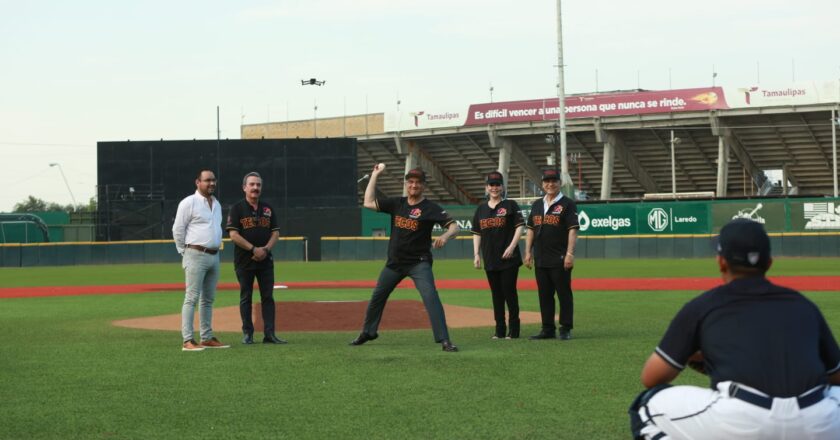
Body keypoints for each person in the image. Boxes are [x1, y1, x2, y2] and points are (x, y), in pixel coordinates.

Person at [629, 219, 840, 439]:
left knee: (645, 407)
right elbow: (836, 377)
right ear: (769, 262)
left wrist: (711, 357)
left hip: (740, 420)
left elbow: (651, 378)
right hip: (817, 423)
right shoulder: (804, 305)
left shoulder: (703, 306)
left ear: (721, 262)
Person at [350, 164, 461, 352]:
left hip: (419, 263)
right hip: (394, 263)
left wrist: (444, 236)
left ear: (423, 185)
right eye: (410, 182)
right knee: (377, 296)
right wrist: (375, 175)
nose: (414, 185)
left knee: (430, 296)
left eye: (418, 182)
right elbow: (368, 202)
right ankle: (368, 332)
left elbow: (455, 227)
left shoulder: (430, 208)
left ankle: (444, 340)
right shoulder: (397, 204)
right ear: (406, 184)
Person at [226, 172, 287, 345]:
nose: (255, 188)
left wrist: (265, 250)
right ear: (244, 187)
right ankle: (248, 333)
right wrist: (253, 249)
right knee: (246, 296)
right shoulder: (237, 208)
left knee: (268, 297)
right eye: (252, 184)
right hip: (244, 260)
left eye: (258, 185)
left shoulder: (268, 208)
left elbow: (275, 232)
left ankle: (270, 334)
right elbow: (233, 234)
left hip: (265, 260)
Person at [172, 169, 229, 351]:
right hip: (195, 253)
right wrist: (184, 251)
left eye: (213, 180)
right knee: (191, 298)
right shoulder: (189, 202)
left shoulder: (217, 204)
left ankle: (206, 337)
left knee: (208, 299)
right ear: (198, 182)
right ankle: (187, 340)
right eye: (207, 180)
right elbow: (178, 229)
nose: (211, 183)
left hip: (214, 255)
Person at [523, 168, 579, 340]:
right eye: (547, 181)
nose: (550, 184)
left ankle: (565, 327)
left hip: (559, 257)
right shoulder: (537, 204)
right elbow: (531, 229)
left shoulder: (567, 204)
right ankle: (547, 328)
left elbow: (572, 230)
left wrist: (570, 253)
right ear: (542, 184)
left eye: (554, 181)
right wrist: (527, 252)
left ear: (559, 183)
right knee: (544, 295)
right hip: (540, 257)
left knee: (563, 294)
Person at [471, 171, 525, 339]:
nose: (494, 188)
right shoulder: (481, 209)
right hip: (490, 258)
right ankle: (499, 330)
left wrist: (512, 246)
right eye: (491, 185)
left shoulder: (510, 205)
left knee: (509, 293)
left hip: (509, 258)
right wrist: (476, 254)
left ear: (502, 187)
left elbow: (519, 227)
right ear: (486, 188)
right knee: (496, 295)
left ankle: (514, 330)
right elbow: (477, 233)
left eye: (497, 185)